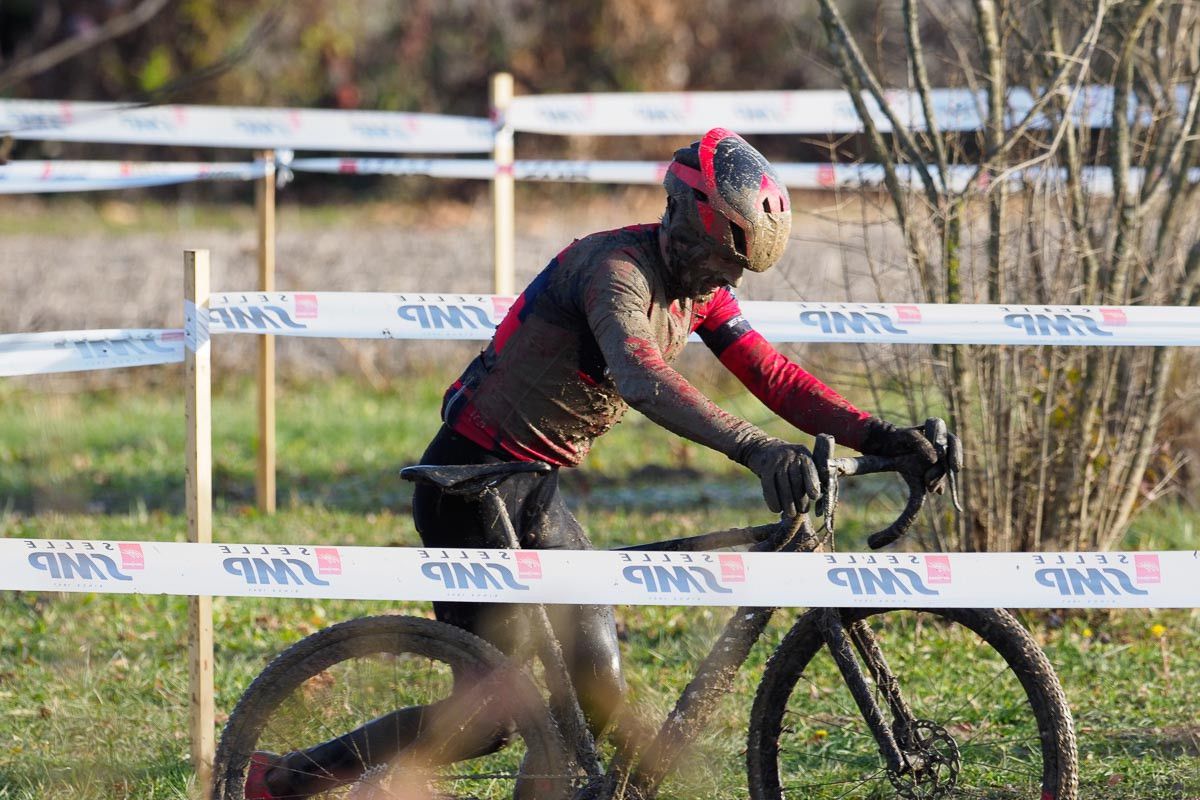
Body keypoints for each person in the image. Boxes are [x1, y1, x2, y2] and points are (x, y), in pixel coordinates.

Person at [245, 128, 939, 799]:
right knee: (487, 718)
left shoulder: (699, 290)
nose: (729, 279)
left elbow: (773, 375)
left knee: (594, 692)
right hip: (471, 483)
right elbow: (641, 378)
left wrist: (881, 436)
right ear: (684, 219)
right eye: (723, 259)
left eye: (739, 269)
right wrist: (755, 448)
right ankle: (281, 782)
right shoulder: (616, 273)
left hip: (530, 489)